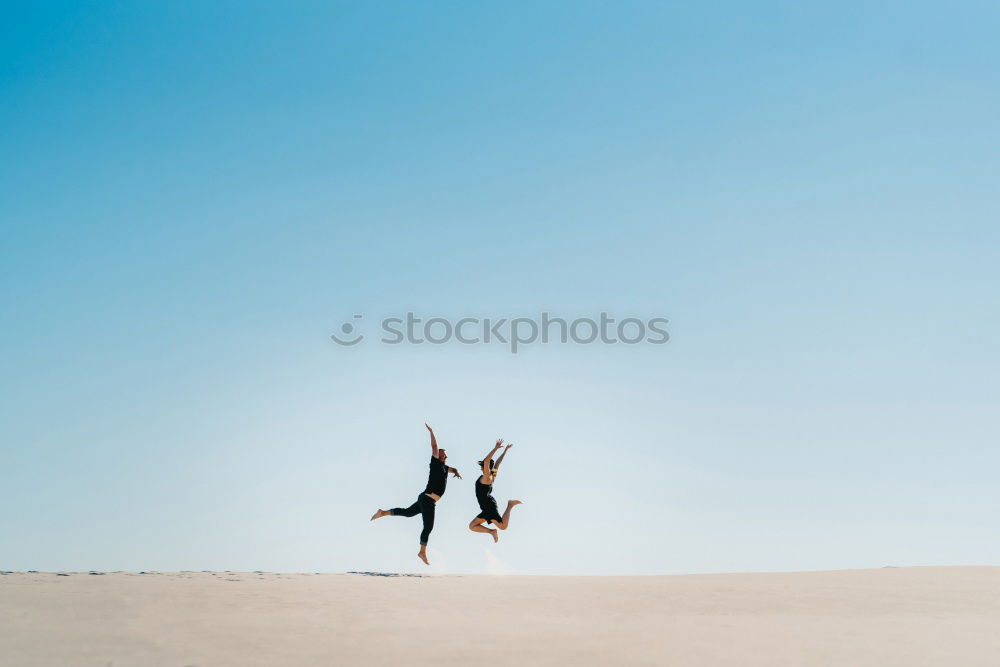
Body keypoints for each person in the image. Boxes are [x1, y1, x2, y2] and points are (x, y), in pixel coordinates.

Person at [370, 424, 461, 565]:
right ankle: (422, 552)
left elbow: (453, 468)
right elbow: (434, 447)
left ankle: (383, 513)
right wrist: (431, 432)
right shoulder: (435, 463)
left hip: (426, 499)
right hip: (428, 500)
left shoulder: (444, 467)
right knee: (428, 527)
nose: (445, 455)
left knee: (407, 513)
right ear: (439, 456)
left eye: (445, 454)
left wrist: (456, 472)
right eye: (443, 454)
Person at [468, 439, 522, 543]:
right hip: (486, 506)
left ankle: (510, 505)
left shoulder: (487, 476)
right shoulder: (492, 475)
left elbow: (488, 461)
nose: (481, 468)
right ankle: (492, 531)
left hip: (489, 506)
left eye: (482, 466)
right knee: (472, 526)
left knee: (503, 526)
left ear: (486, 467)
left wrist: (496, 448)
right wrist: (505, 451)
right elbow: (497, 463)